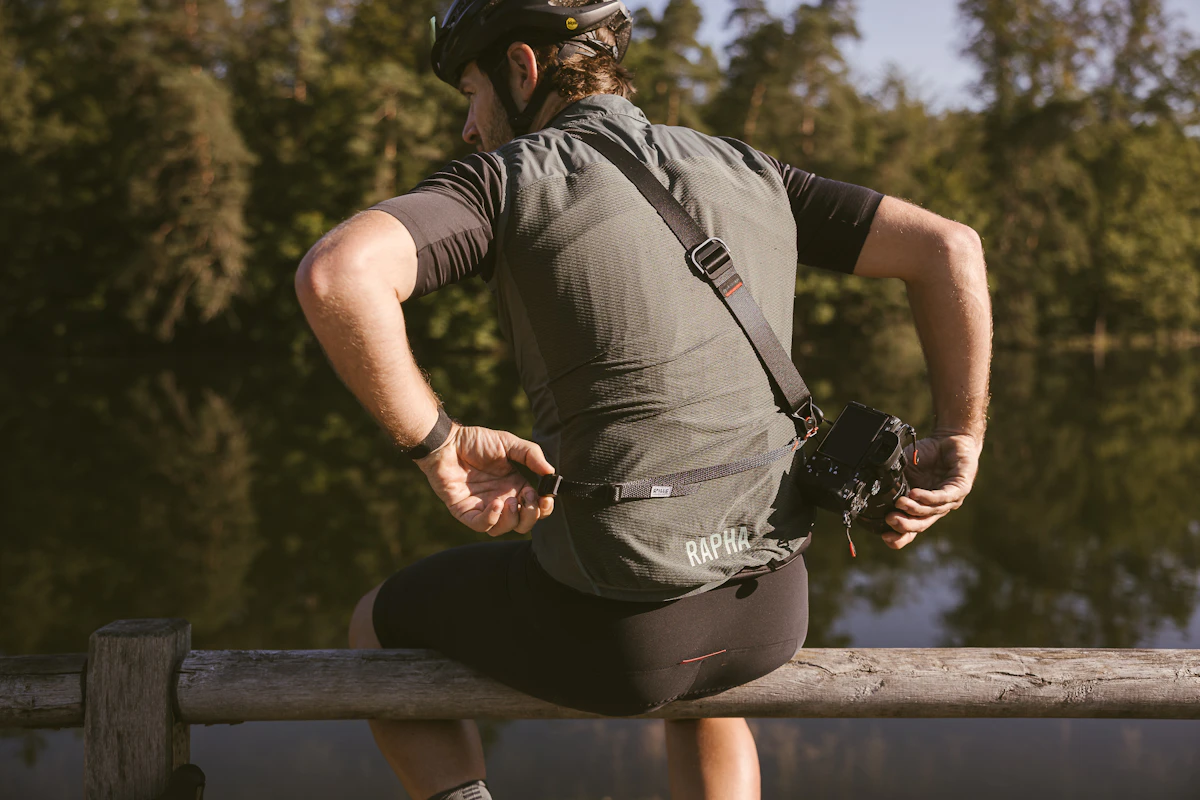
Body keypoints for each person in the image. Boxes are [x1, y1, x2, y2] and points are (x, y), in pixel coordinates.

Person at [294, 1, 992, 798]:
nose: (468, 126)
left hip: (616, 640)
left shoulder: (504, 181)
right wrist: (960, 432)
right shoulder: (749, 167)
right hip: (771, 613)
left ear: (523, 69)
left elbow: (339, 275)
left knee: (376, 626)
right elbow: (949, 247)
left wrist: (439, 445)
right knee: (706, 695)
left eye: (470, 92)